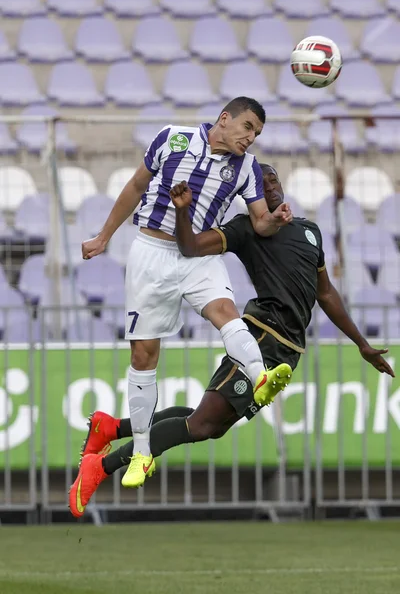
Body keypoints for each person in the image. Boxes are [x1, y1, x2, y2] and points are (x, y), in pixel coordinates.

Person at [69, 164, 394, 518]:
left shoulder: (308, 231)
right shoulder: (246, 229)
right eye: (261, 182)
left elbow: (326, 293)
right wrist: (181, 212)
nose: (269, 186)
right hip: (260, 336)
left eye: (274, 179)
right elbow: (190, 247)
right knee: (203, 424)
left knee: (209, 422)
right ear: (250, 194)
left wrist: (361, 344)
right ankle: (100, 468)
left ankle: (111, 427)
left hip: (288, 349)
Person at [81, 97, 292, 489]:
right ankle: (142, 452)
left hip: (197, 255)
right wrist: (104, 236)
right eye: (247, 127)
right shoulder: (172, 139)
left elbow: (260, 222)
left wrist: (275, 220)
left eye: (257, 133)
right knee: (143, 354)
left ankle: (261, 379)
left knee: (225, 311)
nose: (251, 138)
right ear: (224, 119)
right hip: (150, 252)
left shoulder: (245, 167)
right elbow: (135, 186)